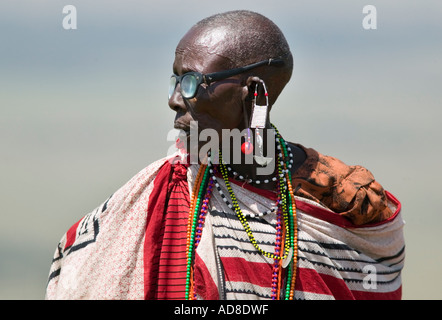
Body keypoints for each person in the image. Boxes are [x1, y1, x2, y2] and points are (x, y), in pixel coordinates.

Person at [46, 10, 405, 300]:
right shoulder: (159, 191)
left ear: (254, 93)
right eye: (174, 81)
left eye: (191, 82)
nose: (173, 100)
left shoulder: (344, 205)